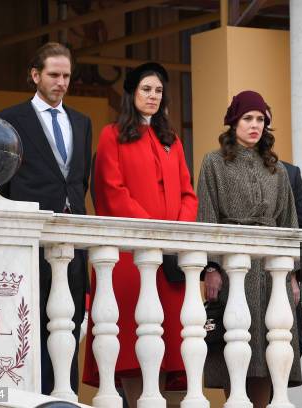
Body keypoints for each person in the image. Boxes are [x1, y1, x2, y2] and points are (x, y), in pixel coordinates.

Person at [81, 62, 197, 408]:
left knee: (173, 343)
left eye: (159, 91)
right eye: (147, 89)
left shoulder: (171, 140)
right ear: (132, 94)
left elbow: (188, 193)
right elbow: (112, 192)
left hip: (170, 257)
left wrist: (177, 230)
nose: (153, 96)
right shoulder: (111, 134)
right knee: (133, 338)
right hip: (131, 256)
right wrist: (153, 231)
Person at [0, 42, 92, 395]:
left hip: (73, 240)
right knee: (32, 320)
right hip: (30, 236)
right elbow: (4, 183)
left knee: (71, 321)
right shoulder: (9, 119)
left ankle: (67, 395)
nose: (61, 82)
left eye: (66, 75)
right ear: (35, 75)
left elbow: (80, 181)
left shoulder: (82, 122)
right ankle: (35, 395)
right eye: (53, 75)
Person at [197, 90, 302, 408]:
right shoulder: (214, 162)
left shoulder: (278, 169)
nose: (255, 125)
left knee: (270, 348)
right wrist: (212, 267)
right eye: (248, 119)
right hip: (233, 269)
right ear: (233, 122)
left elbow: (289, 223)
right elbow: (207, 216)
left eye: (260, 119)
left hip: (272, 273)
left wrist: (294, 275)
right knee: (237, 349)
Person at [281, 160, 302, 355]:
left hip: (283, 272)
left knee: (289, 346)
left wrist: (295, 274)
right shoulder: (220, 163)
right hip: (240, 270)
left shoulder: (289, 172)